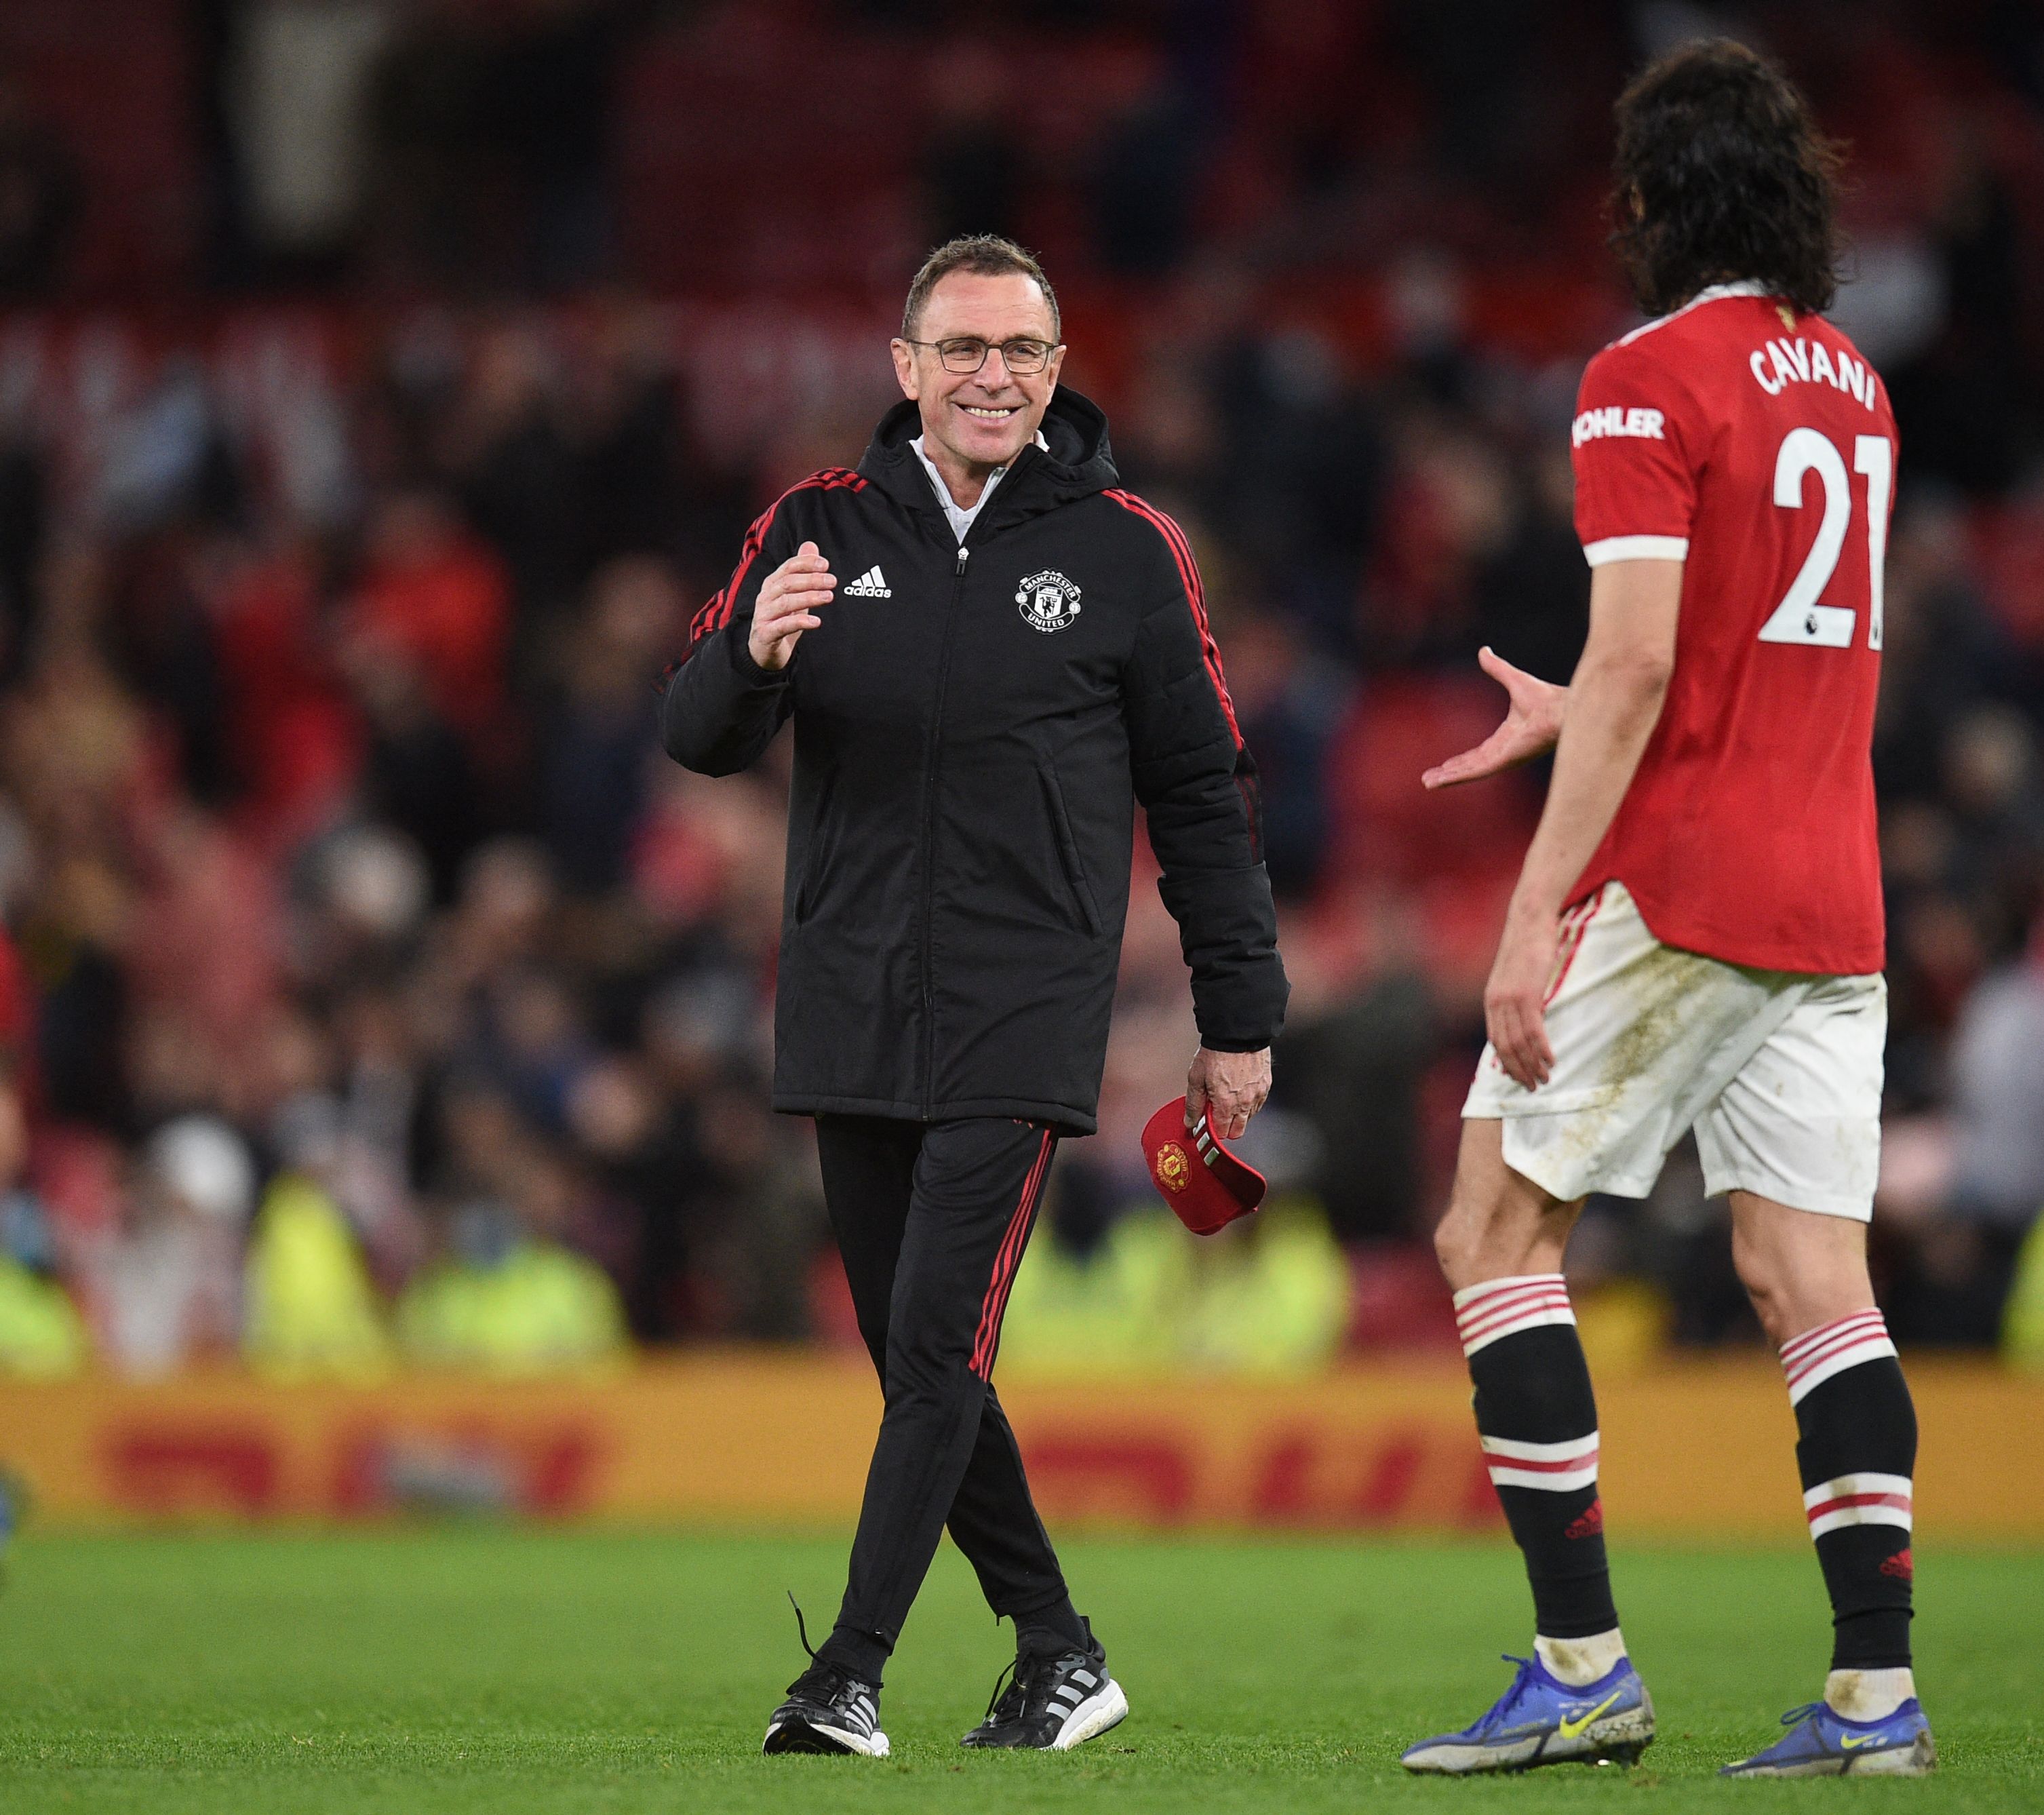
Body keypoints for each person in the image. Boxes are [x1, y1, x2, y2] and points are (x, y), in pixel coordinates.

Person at [661, 235, 1285, 1759]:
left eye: (1021, 351)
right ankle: (1060, 1652)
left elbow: (1203, 796)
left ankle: (849, 1676)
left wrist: (1238, 1014)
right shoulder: (814, 526)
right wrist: (750, 654)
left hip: (1024, 1002)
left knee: (935, 1344)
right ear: (907, 368)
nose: (992, 376)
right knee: (917, 1356)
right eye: (963, 349)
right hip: (851, 994)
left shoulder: (1130, 550)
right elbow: (697, 736)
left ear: (1058, 372)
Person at [1400, 42, 1933, 1778]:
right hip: (1835, 889)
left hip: (1689, 878)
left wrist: (1532, 907)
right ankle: (1875, 1697)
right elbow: (1774, 644)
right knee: (1807, 1276)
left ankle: (1579, 1669)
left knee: (1492, 1233)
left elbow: (1638, 656)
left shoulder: (1641, 377)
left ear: (1647, 202)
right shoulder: (1851, 380)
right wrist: (1593, 709)